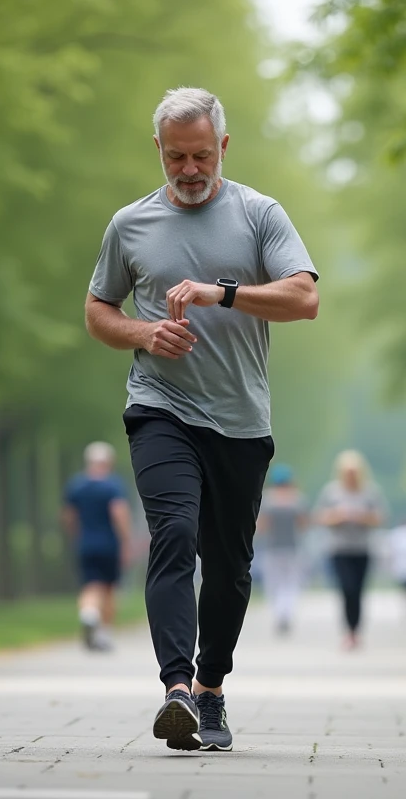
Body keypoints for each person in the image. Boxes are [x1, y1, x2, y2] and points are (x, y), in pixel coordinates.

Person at [84, 87, 319, 752]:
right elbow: (98, 310)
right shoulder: (130, 224)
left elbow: (305, 299)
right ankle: (177, 687)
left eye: (200, 156)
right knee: (174, 531)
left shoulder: (259, 214)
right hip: (161, 407)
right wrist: (142, 333)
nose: (188, 170)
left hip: (240, 420)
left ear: (223, 146)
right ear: (157, 150)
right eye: (175, 157)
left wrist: (224, 293)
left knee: (230, 565)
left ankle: (212, 688)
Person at [61, 442, 133, 652]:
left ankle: (88, 613)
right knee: (109, 589)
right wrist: (126, 541)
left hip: (86, 543)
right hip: (109, 544)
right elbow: (118, 513)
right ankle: (104, 634)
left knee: (90, 585)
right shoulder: (113, 486)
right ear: (108, 462)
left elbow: (68, 516)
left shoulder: (76, 485)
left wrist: (77, 535)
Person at [312, 450, 387, 650]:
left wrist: (362, 516)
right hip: (339, 550)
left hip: (362, 549)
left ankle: (355, 631)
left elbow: (380, 518)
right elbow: (320, 517)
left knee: (358, 591)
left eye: (354, 471)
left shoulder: (370, 492)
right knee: (347, 589)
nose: (351, 475)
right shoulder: (332, 492)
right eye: (347, 472)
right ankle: (348, 631)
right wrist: (338, 516)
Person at [256, 463, 309, 636]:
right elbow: (303, 524)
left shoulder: (268, 499)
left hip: (272, 548)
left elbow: (262, 526)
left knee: (274, 583)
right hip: (293, 547)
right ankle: (286, 613)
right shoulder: (297, 499)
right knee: (291, 583)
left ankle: (279, 614)